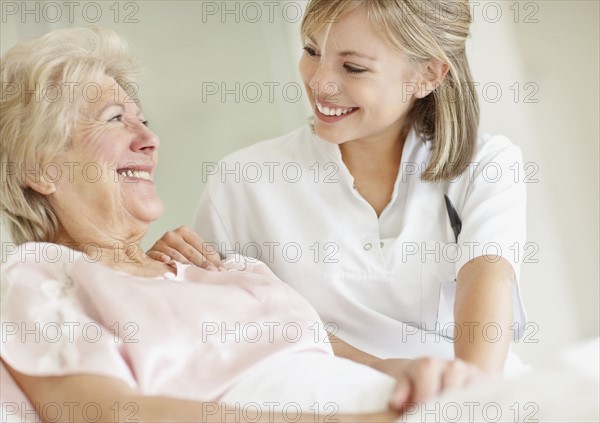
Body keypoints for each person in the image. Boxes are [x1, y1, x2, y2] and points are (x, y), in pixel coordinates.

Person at [0, 26, 484, 423]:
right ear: (40, 166)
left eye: (142, 120)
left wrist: (425, 378)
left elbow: (350, 359)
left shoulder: (215, 267)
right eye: (113, 120)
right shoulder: (40, 277)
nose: (149, 139)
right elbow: (105, 416)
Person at [150, 0, 528, 378]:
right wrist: (158, 270)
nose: (319, 83)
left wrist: (469, 398)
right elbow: (220, 321)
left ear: (427, 75)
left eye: (353, 67)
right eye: (312, 51)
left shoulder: (487, 164)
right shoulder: (243, 180)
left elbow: (486, 282)